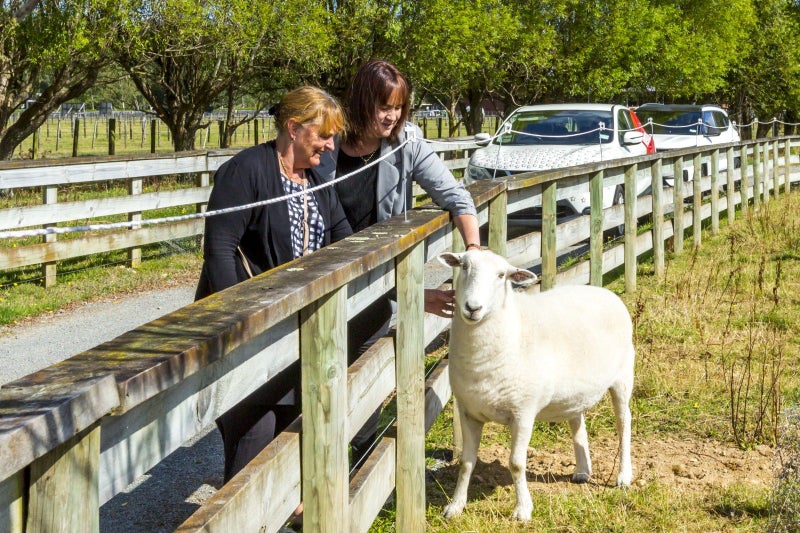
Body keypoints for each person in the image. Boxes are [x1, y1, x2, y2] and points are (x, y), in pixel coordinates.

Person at [317, 59, 482, 462]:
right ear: (360, 102)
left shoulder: (406, 142)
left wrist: (473, 253)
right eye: (383, 106)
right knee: (322, 371)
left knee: (368, 364)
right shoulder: (326, 143)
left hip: (378, 275)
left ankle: (357, 463)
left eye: (398, 107)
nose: (392, 116)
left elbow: (456, 196)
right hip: (324, 275)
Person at [195, 85, 351, 483]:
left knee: (291, 428)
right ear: (294, 128)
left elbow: (343, 240)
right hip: (248, 332)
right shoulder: (246, 170)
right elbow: (219, 250)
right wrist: (243, 324)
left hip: (296, 329)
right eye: (324, 135)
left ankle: (292, 511)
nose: (331, 147)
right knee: (254, 433)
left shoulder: (315, 180)